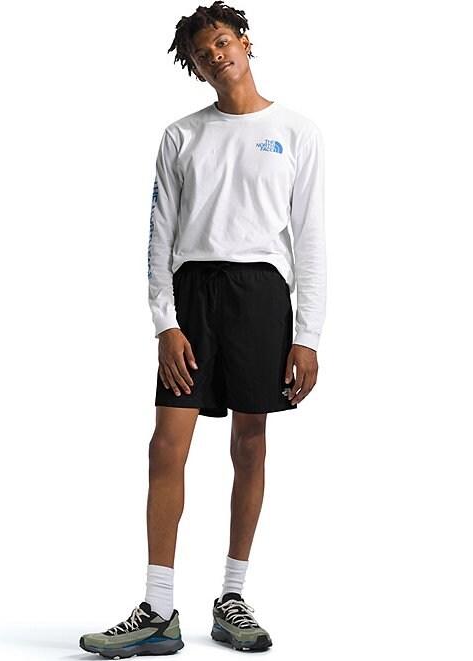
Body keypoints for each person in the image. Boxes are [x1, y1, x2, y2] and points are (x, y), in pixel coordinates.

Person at [80, 1, 326, 656]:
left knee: (251, 443)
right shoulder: (181, 136)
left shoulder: (297, 132)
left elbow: (310, 239)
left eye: (221, 42)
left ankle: (232, 597)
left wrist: (308, 335)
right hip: (193, 297)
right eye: (201, 55)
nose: (215, 57)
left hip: (261, 295)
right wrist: (166, 322)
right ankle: (159, 609)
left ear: (243, 40)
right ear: (195, 68)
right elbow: (157, 237)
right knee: (167, 445)